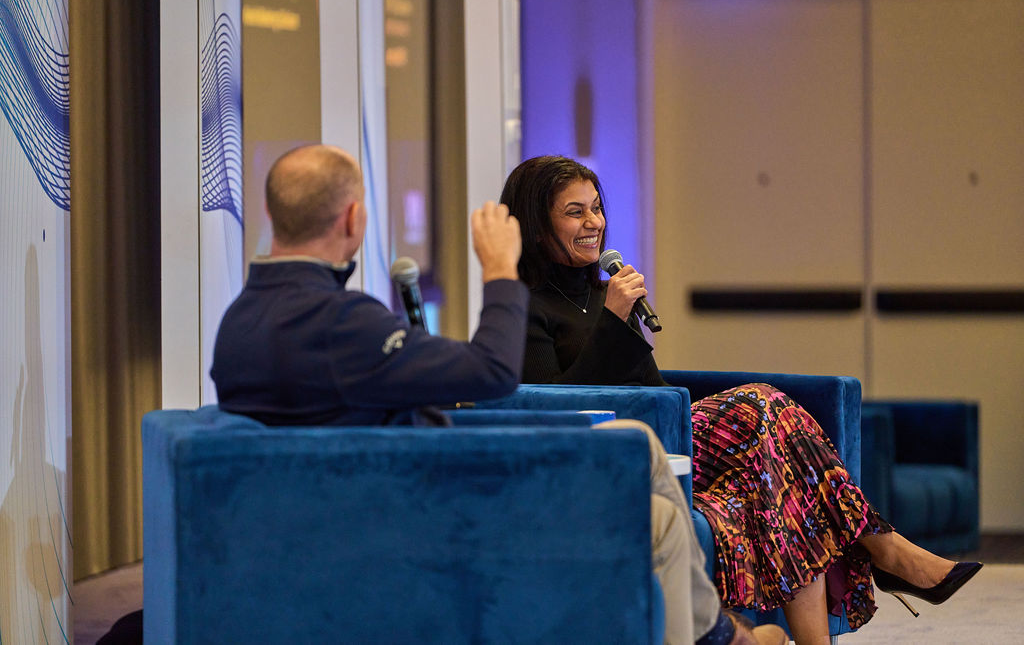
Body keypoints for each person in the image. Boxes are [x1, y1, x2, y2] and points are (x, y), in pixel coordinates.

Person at [209, 144, 784, 645]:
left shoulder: (240, 321)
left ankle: (716, 635)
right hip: (424, 514)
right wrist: (499, 270)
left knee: (636, 441)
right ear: (354, 218)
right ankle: (718, 636)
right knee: (656, 511)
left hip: (357, 500)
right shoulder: (342, 323)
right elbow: (491, 373)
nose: (594, 222)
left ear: (270, 214)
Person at [499, 154, 983, 645]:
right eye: (574, 211)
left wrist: (618, 321)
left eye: (597, 208)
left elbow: (649, 384)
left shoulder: (605, 293)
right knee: (761, 403)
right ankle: (887, 549)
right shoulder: (523, 307)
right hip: (623, 454)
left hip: (676, 439)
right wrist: (613, 321)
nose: (594, 223)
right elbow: (556, 406)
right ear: (539, 227)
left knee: (782, 478)